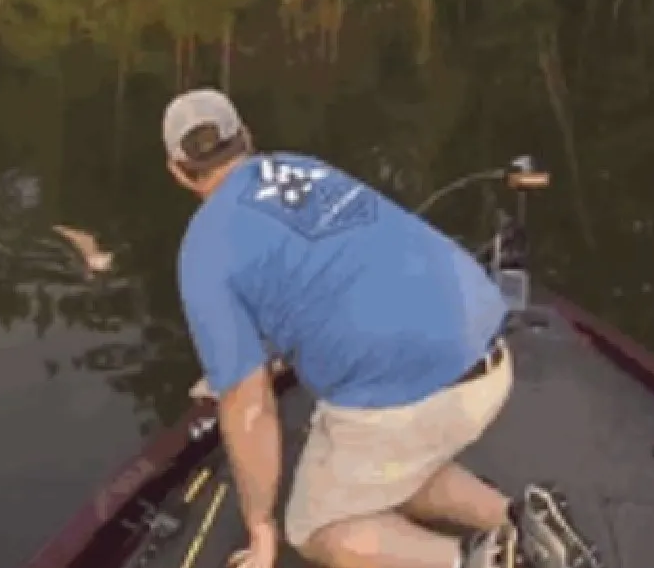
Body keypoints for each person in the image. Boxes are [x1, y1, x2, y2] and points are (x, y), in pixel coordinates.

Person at [162, 87, 601, 568]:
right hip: (488, 349)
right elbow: (317, 269)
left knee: (315, 528)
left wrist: (260, 529)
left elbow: (249, 405)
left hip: (416, 395)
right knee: (387, 466)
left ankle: (488, 561)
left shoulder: (204, 249)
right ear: (246, 137)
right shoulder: (301, 168)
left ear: (178, 171)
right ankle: (525, 522)